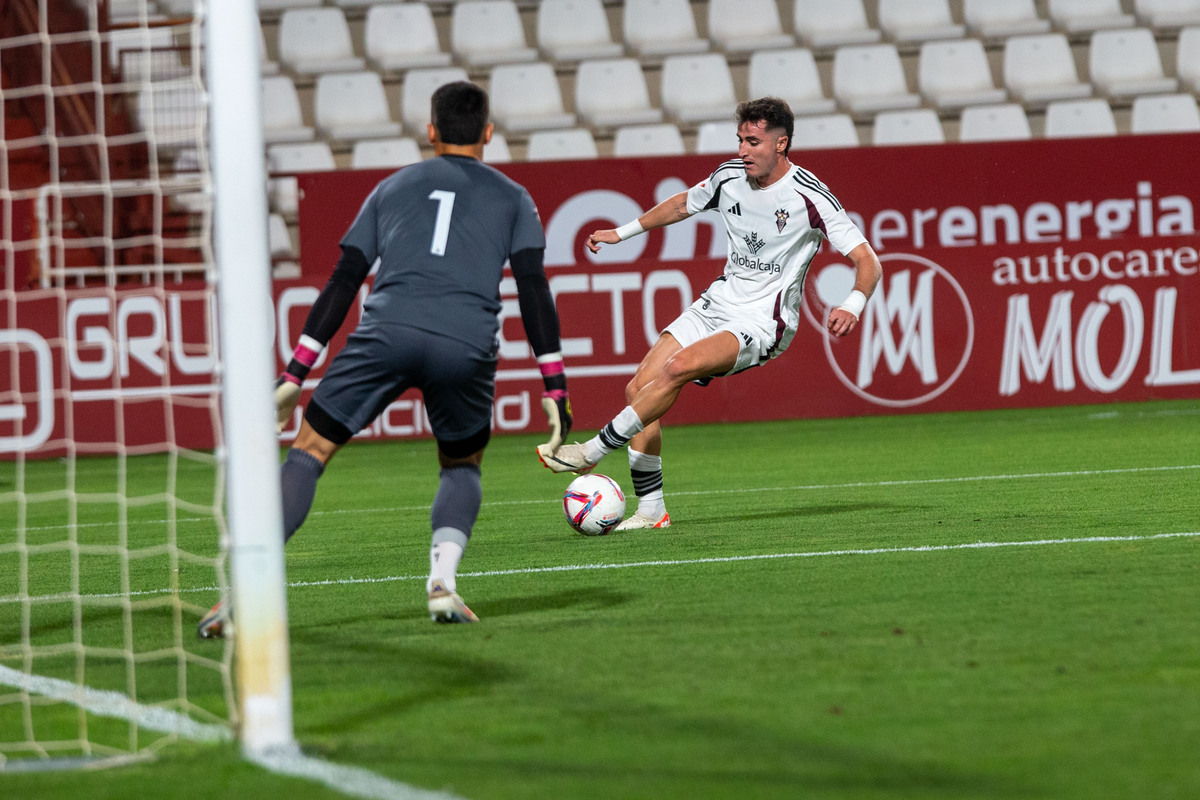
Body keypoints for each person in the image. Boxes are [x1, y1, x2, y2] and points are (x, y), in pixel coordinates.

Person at [200, 81, 571, 636]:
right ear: (488, 133)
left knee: (309, 451)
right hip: (464, 343)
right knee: (461, 465)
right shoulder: (514, 197)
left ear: (430, 131)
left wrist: (295, 372)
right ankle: (442, 582)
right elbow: (533, 288)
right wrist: (556, 388)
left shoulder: (392, 187)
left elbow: (345, 277)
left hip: (387, 332)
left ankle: (245, 596)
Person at [537, 96, 881, 530]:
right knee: (639, 388)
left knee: (678, 367)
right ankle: (651, 511)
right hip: (717, 303)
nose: (742, 150)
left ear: (781, 144)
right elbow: (682, 204)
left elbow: (868, 261)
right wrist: (621, 233)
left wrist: (852, 303)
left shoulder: (809, 196)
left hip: (762, 321)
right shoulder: (729, 177)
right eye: (740, 139)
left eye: (753, 141)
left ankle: (591, 452)